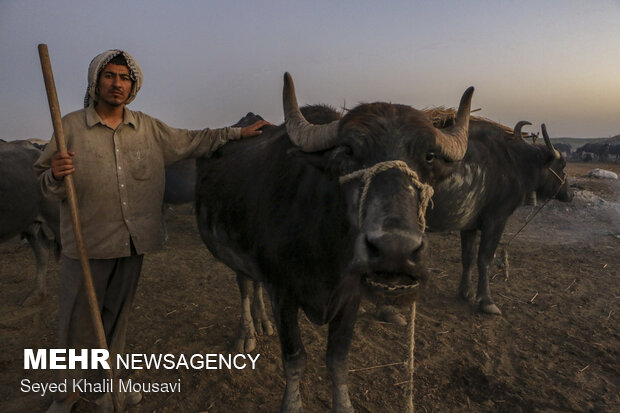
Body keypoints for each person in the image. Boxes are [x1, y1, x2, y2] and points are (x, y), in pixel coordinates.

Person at [35, 49, 269, 413]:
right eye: (109, 76)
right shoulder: (69, 128)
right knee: (78, 321)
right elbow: (43, 184)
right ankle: (67, 394)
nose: (117, 83)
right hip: (88, 243)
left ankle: (110, 382)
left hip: (132, 241)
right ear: (96, 83)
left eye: (124, 78)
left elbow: (195, 140)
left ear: (133, 87)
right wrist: (54, 173)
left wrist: (238, 132)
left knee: (118, 316)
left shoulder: (148, 128)